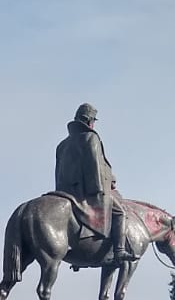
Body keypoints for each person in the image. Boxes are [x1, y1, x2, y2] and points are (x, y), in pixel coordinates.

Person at [55, 102, 133, 262]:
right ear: (89, 121)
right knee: (120, 212)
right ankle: (119, 250)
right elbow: (95, 166)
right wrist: (99, 188)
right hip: (86, 192)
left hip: (64, 192)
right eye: (93, 121)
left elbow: (58, 173)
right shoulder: (91, 138)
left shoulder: (61, 145)